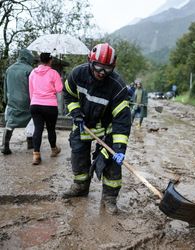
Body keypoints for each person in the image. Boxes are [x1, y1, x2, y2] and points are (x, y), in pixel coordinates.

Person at [62, 43, 131, 214]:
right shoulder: (77, 74)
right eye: (98, 66)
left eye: (107, 69)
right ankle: (80, 186)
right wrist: (76, 113)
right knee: (78, 154)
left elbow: (122, 120)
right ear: (90, 61)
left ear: (113, 67)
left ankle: (109, 198)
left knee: (111, 162)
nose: (101, 72)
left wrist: (119, 148)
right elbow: (68, 94)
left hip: (106, 127)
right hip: (83, 123)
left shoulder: (117, 86)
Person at [29, 53, 63, 165]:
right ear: (50, 60)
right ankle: (54, 150)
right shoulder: (54, 73)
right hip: (50, 105)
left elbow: (31, 91)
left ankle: (36, 155)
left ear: (40, 60)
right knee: (51, 129)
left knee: (38, 129)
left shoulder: (33, 73)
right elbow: (59, 89)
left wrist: (33, 102)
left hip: (35, 104)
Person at [1, 48, 35, 155]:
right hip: (27, 101)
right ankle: (30, 143)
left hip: (12, 101)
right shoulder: (30, 70)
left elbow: (5, 87)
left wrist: (6, 99)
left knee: (10, 122)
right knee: (31, 122)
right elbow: (33, 87)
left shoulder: (9, 69)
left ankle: (5, 145)